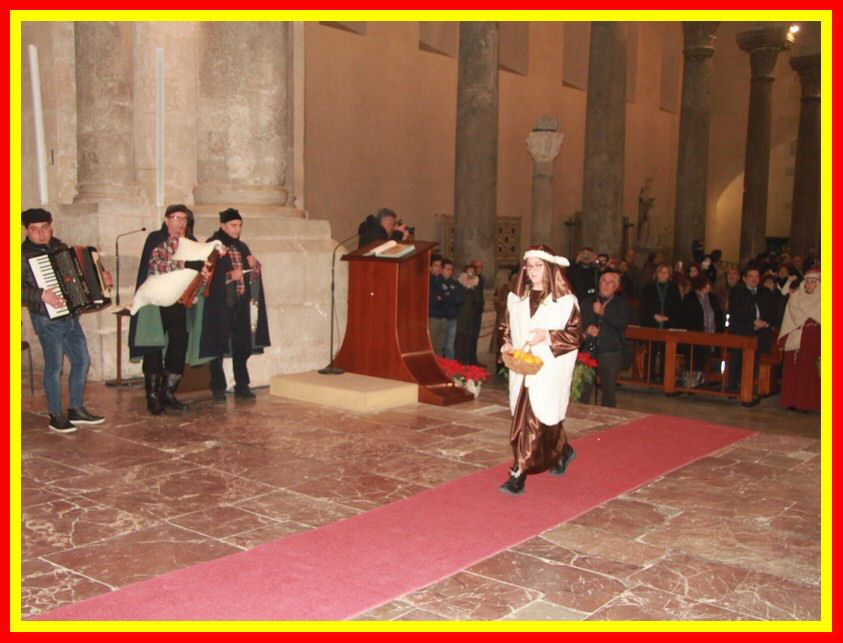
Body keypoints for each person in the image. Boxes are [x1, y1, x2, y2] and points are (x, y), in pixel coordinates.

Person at [498, 245, 582, 495]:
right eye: (529, 266)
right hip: (522, 370)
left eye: (538, 266)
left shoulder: (565, 302)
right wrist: (507, 343)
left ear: (549, 269)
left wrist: (547, 336)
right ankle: (558, 452)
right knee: (524, 422)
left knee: (538, 420)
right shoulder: (517, 300)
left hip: (548, 371)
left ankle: (519, 473)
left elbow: (575, 335)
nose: (533, 271)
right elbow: (506, 326)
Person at [21, 208, 111, 433]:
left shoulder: (60, 247)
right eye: (34, 229)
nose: (40, 233)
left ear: (51, 227)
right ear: (27, 231)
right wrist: (41, 294)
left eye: (44, 228)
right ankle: (56, 415)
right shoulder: (20, 255)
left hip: (70, 315)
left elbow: (82, 272)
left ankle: (76, 409)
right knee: (54, 368)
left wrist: (101, 276)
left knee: (82, 361)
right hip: (46, 317)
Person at [129, 204, 208, 415]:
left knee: (179, 342)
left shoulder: (191, 242)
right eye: (176, 218)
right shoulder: (156, 238)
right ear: (166, 220)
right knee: (153, 345)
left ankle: (168, 392)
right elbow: (156, 265)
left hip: (178, 302)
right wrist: (186, 264)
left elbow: (196, 272)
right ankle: (153, 396)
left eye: (184, 219)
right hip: (154, 303)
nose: (181, 223)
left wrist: (201, 277)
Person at [199, 208, 271, 401]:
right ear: (222, 225)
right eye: (233, 225)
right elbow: (205, 275)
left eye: (239, 225)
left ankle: (242, 385)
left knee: (243, 344)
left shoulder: (242, 247)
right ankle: (218, 388)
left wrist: (255, 266)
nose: (237, 229)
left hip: (241, 301)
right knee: (217, 345)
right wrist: (230, 276)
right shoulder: (213, 245)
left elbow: (253, 275)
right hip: (221, 303)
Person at [579, 270, 631, 407]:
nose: (606, 285)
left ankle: (608, 415)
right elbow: (578, 323)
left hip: (610, 352)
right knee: (583, 389)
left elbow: (622, 323)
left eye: (611, 282)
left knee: (608, 390)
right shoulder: (587, 302)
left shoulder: (621, 304)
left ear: (616, 286)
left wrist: (603, 313)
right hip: (589, 350)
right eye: (603, 281)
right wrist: (587, 330)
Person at [726, 264, 776, 394]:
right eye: (751, 276)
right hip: (741, 331)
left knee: (754, 361)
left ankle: (748, 387)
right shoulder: (737, 291)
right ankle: (733, 386)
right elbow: (738, 310)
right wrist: (753, 321)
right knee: (737, 360)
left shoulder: (765, 292)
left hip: (760, 332)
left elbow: (772, 310)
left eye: (756, 276)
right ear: (744, 278)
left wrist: (765, 323)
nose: (754, 279)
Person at [778, 268, 820, 412]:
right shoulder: (795, 297)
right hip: (796, 337)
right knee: (793, 371)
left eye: (813, 282)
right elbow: (788, 319)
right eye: (807, 281)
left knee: (810, 372)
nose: (809, 284)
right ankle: (791, 400)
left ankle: (807, 403)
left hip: (814, 340)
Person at [679, 274, 724, 387]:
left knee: (708, 358)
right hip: (695, 334)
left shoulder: (712, 298)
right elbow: (687, 316)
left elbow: (718, 314)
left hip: (711, 334)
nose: (708, 287)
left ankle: (706, 381)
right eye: (705, 285)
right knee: (694, 359)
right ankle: (692, 383)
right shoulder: (690, 298)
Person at [639, 263, 682, 381]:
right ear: (657, 274)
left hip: (668, 323)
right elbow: (644, 304)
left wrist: (668, 317)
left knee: (666, 351)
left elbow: (677, 305)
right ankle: (649, 376)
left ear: (669, 275)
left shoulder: (673, 288)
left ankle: (665, 377)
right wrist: (654, 315)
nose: (663, 275)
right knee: (651, 350)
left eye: (665, 272)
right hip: (652, 322)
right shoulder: (649, 287)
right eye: (661, 272)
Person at [454, 264, 483, 365]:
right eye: (469, 272)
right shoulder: (459, 284)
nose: (471, 274)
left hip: (472, 318)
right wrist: (466, 286)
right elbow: (458, 300)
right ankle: (459, 363)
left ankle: (468, 362)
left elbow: (479, 300)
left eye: (473, 273)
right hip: (461, 318)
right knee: (460, 340)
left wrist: (473, 288)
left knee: (469, 341)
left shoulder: (476, 285)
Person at [440, 259, 463, 360]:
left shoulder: (455, 283)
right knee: (439, 345)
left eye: (451, 269)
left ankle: (451, 367)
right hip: (441, 317)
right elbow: (440, 299)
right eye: (447, 269)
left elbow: (459, 299)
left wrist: (448, 296)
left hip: (452, 317)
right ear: (441, 269)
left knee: (449, 346)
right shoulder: (438, 282)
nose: (449, 272)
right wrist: (448, 297)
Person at [428, 255, 447, 356]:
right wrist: (439, 298)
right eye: (436, 265)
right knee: (432, 345)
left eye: (440, 266)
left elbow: (446, 296)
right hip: (433, 316)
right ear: (430, 267)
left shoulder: (441, 279)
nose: (438, 268)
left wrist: (441, 298)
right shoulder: (427, 280)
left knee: (440, 346)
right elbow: (431, 299)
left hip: (442, 315)